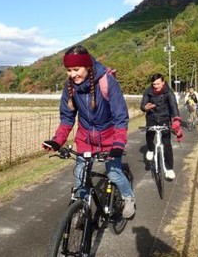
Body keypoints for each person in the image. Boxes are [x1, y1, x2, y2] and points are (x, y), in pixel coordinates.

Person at [42, 45, 135, 219]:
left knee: (114, 173)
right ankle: (82, 209)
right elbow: (67, 118)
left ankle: (128, 196)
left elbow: (120, 117)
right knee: (80, 176)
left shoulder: (107, 82)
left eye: (76, 69)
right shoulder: (69, 87)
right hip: (85, 139)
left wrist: (118, 144)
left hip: (110, 139)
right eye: (69, 70)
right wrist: (57, 141)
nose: (72, 74)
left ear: (88, 67)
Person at [140, 73, 183, 180]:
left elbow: (173, 105)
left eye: (158, 84)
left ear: (163, 82)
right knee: (149, 134)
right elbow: (142, 105)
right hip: (152, 117)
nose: (156, 86)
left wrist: (176, 118)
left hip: (164, 118)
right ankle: (150, 149)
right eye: (154, 84)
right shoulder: (148, 91)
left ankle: (169, 169)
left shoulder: (168, 92)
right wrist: (145, 108)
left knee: (166, 143)